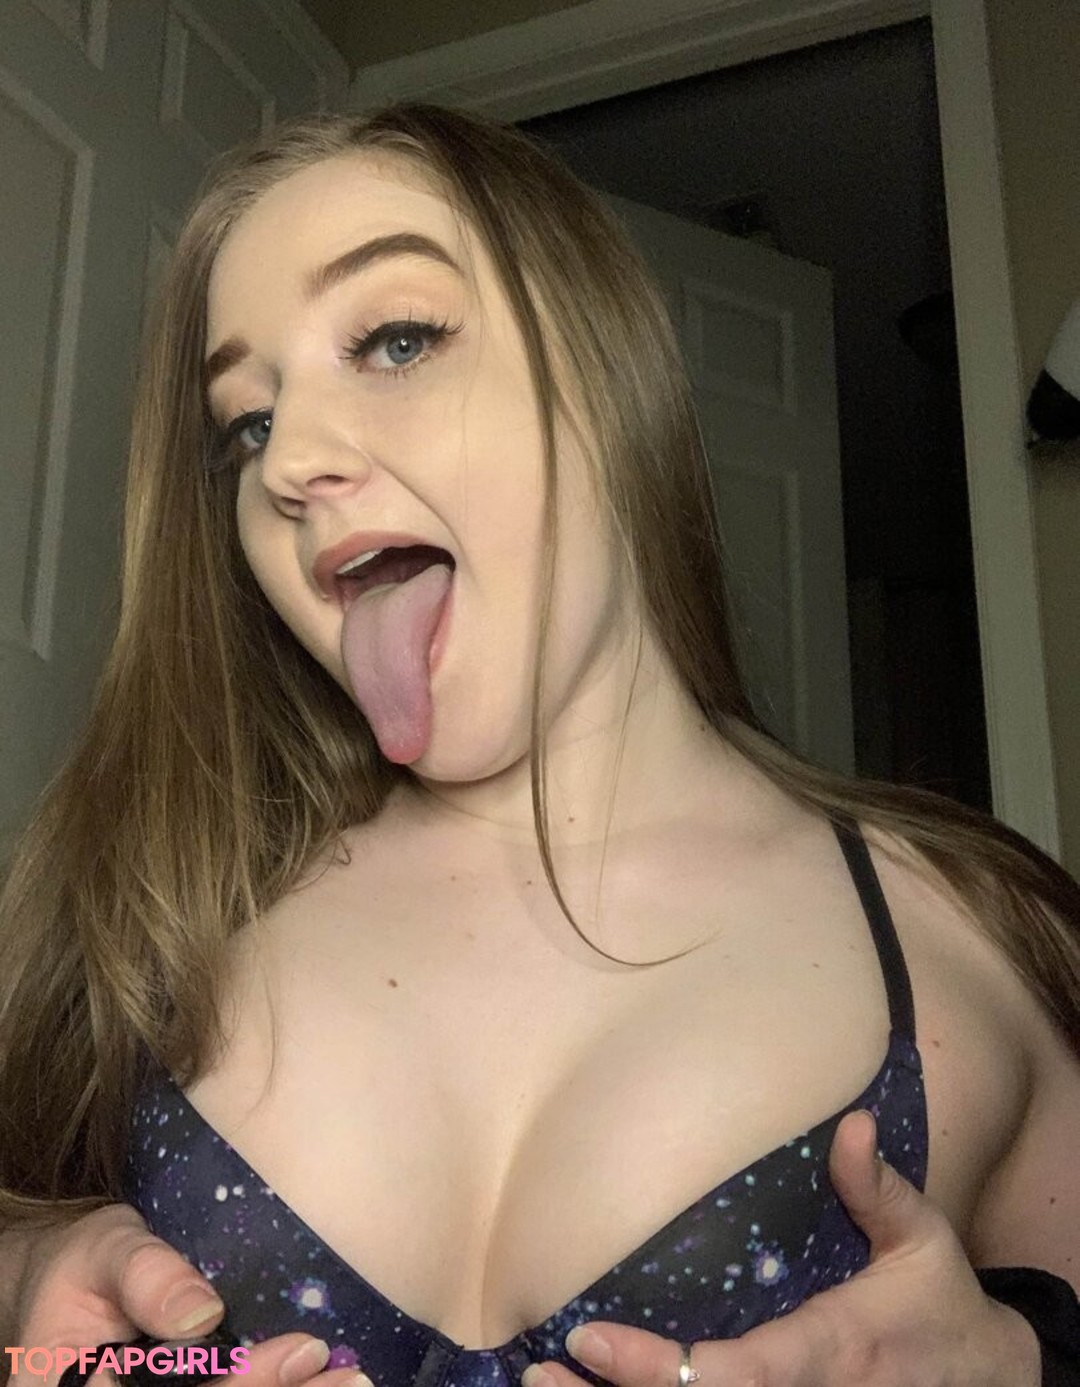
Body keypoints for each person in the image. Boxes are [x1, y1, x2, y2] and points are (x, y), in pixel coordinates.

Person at [1, 104, 1078, 1387]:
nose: (287, 463)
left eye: (397, 340)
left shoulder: (978, 931)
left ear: (602, 370)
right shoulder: (146, 912)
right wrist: (19, 1276)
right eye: (246, 423)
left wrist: (1026, 1360)